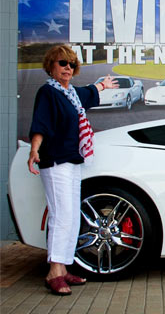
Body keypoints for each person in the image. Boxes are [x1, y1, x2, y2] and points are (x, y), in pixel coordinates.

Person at [27, 45, 118, 295]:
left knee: (71, 216)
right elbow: (40, 124)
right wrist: (34, 150)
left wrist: (103, 85)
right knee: (61, 215)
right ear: (51, 66)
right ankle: (54, 272)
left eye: (70, 64)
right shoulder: (49, 92)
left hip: (73, 161)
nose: (67, 68)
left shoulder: (72, 94)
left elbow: (89, 92)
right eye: (61, 63)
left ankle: (64, 268)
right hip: (55, 161)